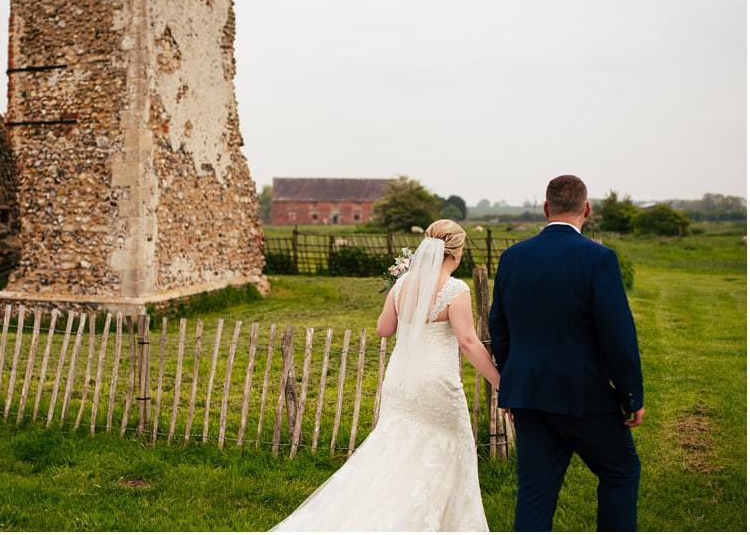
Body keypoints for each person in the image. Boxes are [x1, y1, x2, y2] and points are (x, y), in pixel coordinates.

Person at [273, 219, 500, 531]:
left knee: (393, 450)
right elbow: (468, 342)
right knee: (446, 448)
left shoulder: (402, 284)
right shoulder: (456, 289)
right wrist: (499, 381)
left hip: (400, 381)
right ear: (457, 253)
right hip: (436, 383)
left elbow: (383, 329)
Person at [489, 174, 644, 531]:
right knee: (621, 471)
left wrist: (511, 384)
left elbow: (499, 327)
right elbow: (617, 335)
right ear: (587, 209)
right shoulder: (599, 258)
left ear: (546, 208)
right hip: (582, 395)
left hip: (528, 394)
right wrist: (630, 396)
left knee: (534, 494)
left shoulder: (512, 257)